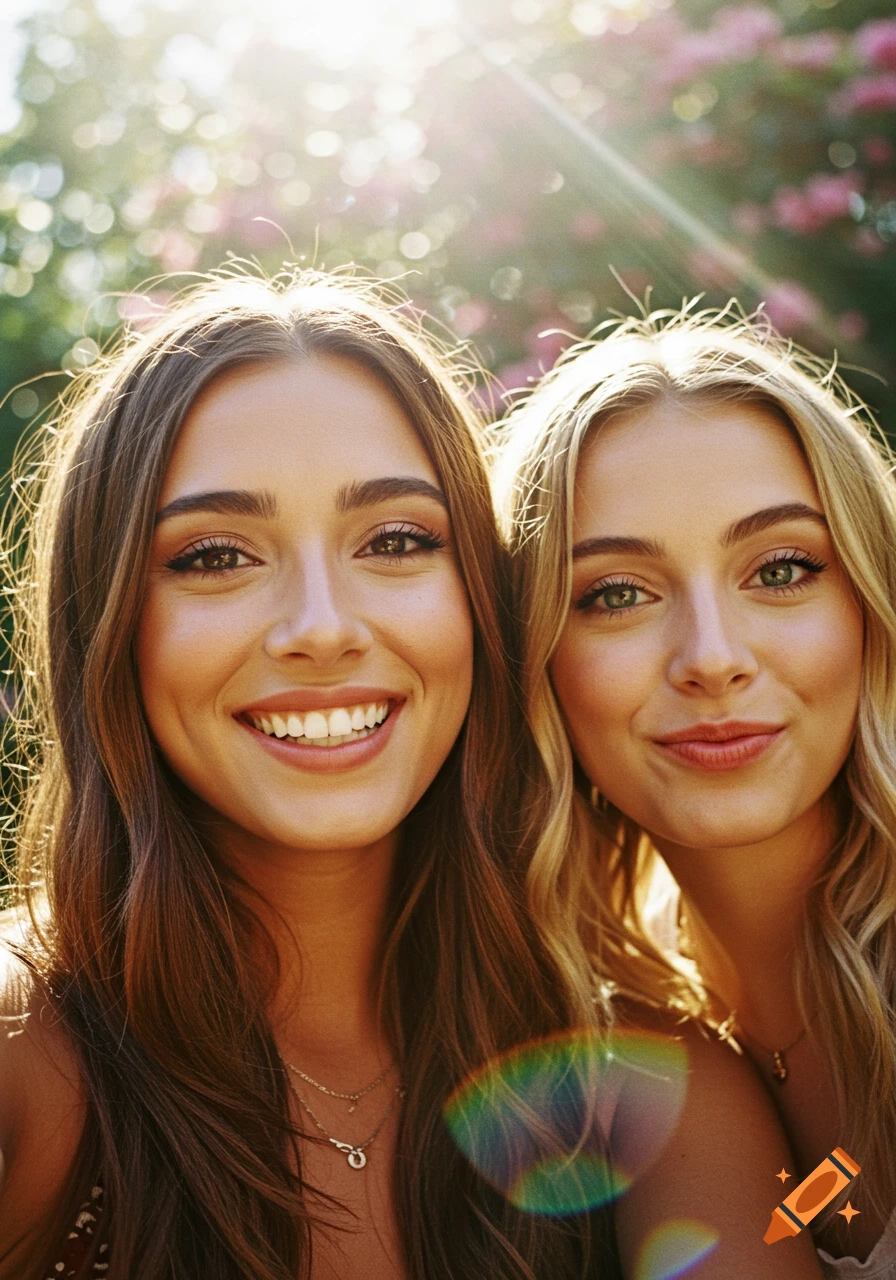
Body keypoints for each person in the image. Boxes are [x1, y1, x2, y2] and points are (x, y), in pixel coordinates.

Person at [0, 273, 818, 1280]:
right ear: (107, 617)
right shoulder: (24, 1061)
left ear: (482, 600)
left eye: (394, 540)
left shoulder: (652, 1089)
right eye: (216, 555)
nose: (323, 627)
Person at [494, 303, 896, 1279]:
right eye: (615, 593)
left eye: (781, 568)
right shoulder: (628, 1041)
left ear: (870, 609)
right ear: (532, 656)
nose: (711, 657)